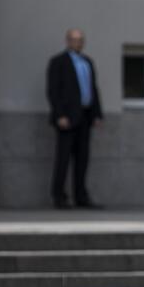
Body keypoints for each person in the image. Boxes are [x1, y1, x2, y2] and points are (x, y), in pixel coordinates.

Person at [46, 28, 103, 209]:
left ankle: (81, 197)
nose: (78, 43)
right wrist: (60, 115)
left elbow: (93, 89)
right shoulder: (58, 62)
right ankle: (59, 197)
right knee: (63, 159)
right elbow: (53, 91)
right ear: (68, 41)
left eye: (81, 39)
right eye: (75, 39)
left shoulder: (87, 62)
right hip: (67, 119)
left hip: (85, 118)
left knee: (82, 159)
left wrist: (96, 114)